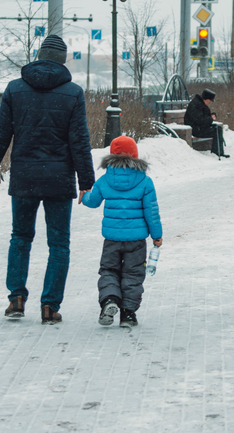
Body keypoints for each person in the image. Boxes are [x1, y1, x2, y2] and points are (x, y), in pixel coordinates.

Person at [0, 34, 96, 324]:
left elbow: (0, 137)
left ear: (39, 56)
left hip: (25, 178)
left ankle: (16, 298)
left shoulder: (16, 89)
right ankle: (50, 306)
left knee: (20, 238)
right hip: (58, 181)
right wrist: (87, 183)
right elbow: (79, 141)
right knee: (59, 244)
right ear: (63, 61)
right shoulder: (72, 93)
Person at [81, 136, 163, 328]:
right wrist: (156, 235)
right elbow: (151, 212)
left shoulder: (105, 180)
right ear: (135, 155)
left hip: (112, 239)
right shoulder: (145, 181)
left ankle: (109, 299)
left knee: (109, 270)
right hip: (136, 240)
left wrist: (84, 196)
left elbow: (93, 202)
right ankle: (128, 313)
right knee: (133, 274)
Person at [184, 88, 228, 158]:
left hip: (200, 127)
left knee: (217, 128)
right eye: (210, 100)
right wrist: (211, 118)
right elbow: (199, 120)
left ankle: (218, 152)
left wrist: (212, 115)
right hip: (195, 129)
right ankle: (217, 152)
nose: (210, 102)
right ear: (206, 99)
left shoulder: (200, 104)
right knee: (217, 130)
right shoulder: (195, 105)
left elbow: (204, 117)